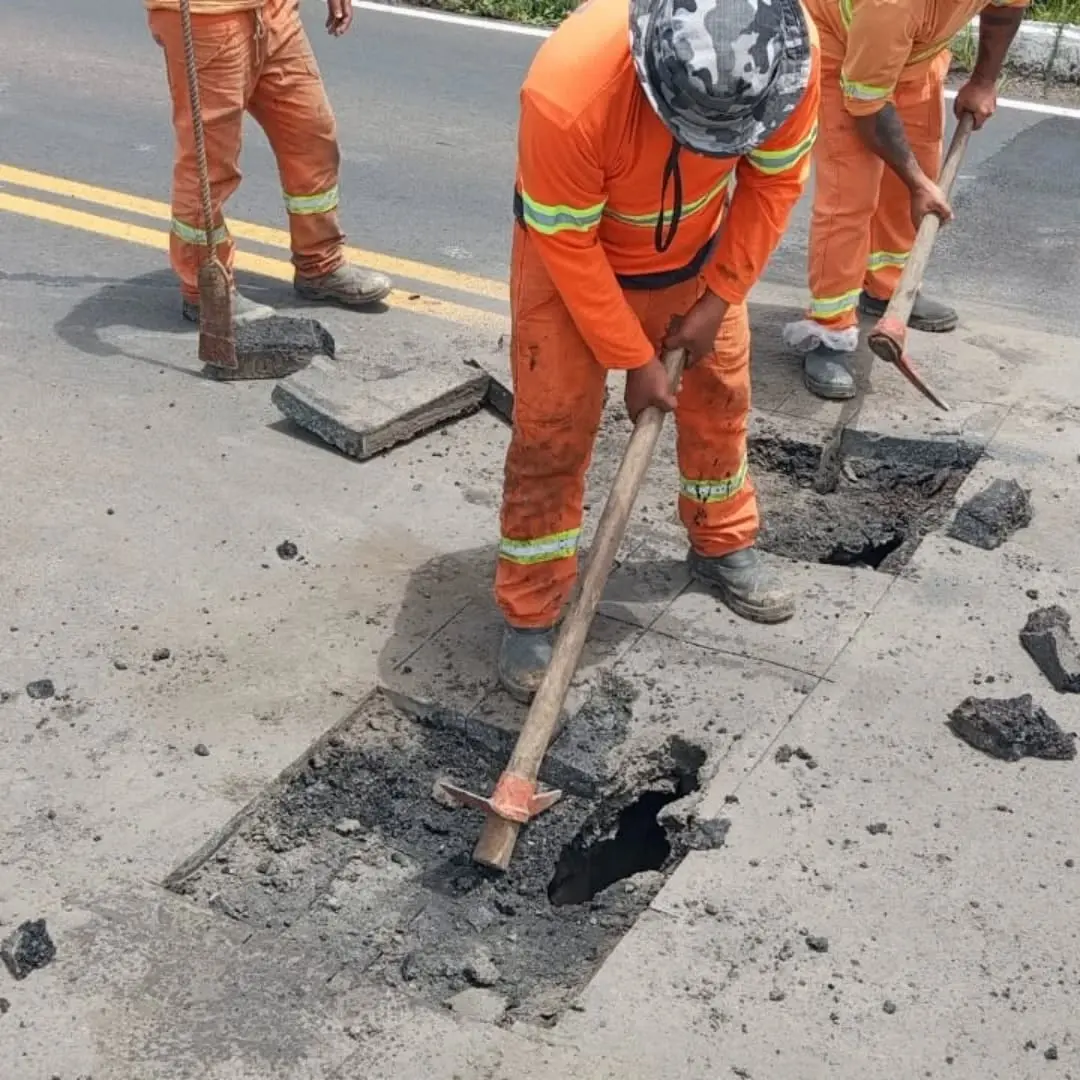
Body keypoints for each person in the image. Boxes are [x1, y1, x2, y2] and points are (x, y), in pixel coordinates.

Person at [493, 0, 821, 701]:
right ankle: (531, 606)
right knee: (552, 430)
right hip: (571, 264)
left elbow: (773, 184)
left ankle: (721, 541)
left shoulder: (785, 64)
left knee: (720, 400)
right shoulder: (569, 93)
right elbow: (569, 245)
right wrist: (634, 360)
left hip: (697, 259)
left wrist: (718, 299)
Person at [785, 0, 1027, 400]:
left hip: (912, 52)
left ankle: (887, 290)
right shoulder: (892, 4)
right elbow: (866, 106)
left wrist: (983, 80)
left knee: (916, 169)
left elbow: (1007, 6)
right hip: (841, 53)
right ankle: (828, 329)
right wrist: (918, 183)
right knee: (850, 194)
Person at [146, 0, 392, 323]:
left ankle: (320, 264)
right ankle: (207, 289)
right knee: (210, 165)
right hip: (209, 17)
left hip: (274, 11)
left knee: (312, 136)